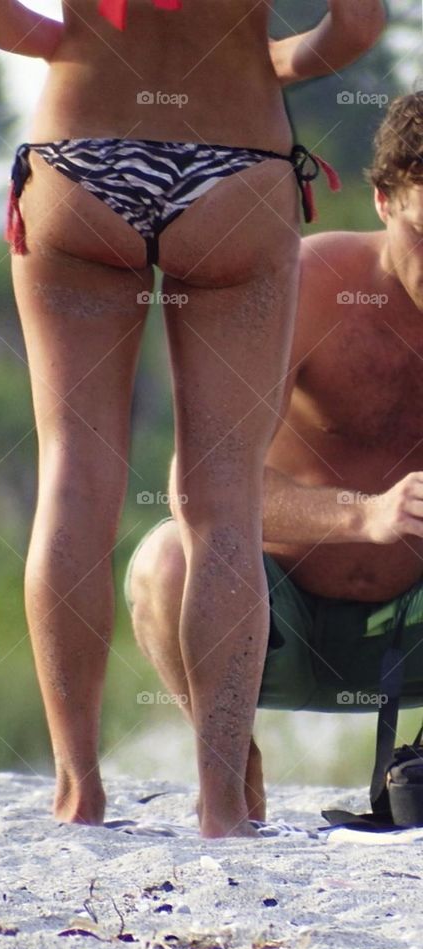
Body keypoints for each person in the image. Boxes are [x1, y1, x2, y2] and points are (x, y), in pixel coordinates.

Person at [0, 0, 386, 837]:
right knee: (222, 502)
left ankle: (80, 787)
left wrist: (59, 43)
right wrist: (274, 59)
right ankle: (221, 800)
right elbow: (360, 25)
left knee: (74, 476)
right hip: (237, 163)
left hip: (80, 155)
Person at [127, 91, 423, 825]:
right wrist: (366, 515)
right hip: (272, 624)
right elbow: (198, 481)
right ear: (384, 201)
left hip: (408, 634)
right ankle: (231, 762)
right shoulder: (309, 286)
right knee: (167, 560)